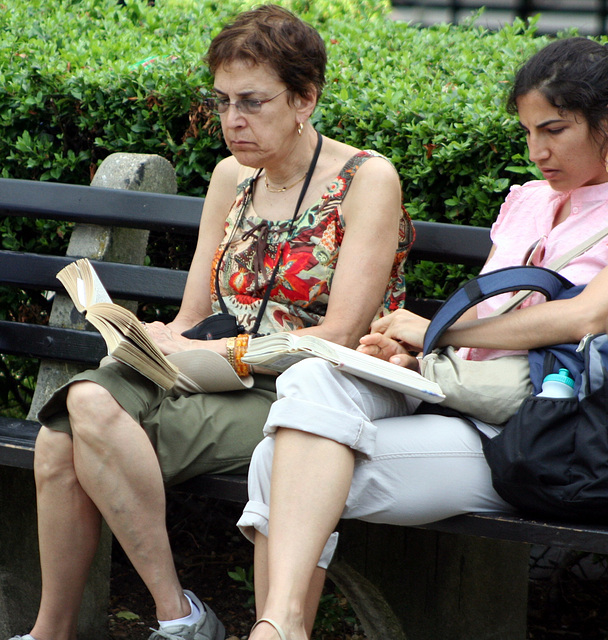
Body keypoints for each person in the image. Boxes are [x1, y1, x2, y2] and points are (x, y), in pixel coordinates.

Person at [9, 6, 412, 640]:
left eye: (252, 102)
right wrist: (150, 336)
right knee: (72, 418)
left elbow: (339, 335)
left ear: (306, 97)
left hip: (301, 388)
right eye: (222, 101)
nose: (232, 121)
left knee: (72, 426)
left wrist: (232, 351)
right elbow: (194, 315)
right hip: (207, 365)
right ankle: (82, 628)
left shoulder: (366, 178)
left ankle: (176, 619)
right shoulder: (232, 176)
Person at [237, 36, 608, 640]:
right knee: (310, 379)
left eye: (555, 131)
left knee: (274, 460)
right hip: (453, 389)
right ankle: (280, 626)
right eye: (527, 132)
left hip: (533, 432)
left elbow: (584, 318)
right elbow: (495, 314)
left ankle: (276, 627)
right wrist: (415, 350)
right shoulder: (531, 202)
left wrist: (437, 331)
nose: (537, 151)